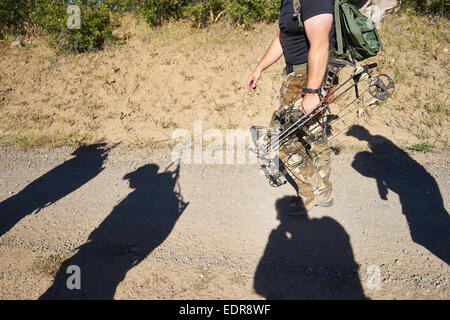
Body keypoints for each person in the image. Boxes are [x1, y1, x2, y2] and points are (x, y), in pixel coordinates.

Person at [247, 0, 337, 215]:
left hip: (307, 77)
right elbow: (282, 37)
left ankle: (312, 191)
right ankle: (324, 192)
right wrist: (259, 69)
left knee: (280, 137)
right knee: (313, 135)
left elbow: (321, 44)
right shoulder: (290, 1)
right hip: (298, 76)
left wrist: (312, 92)